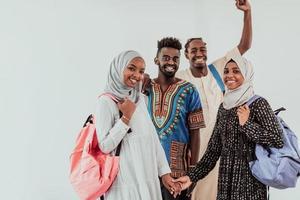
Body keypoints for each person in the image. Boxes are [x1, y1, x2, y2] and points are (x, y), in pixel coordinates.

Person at [174, 56, 284, 200]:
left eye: (236, 71)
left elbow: (277, 140)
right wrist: (190, 178)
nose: (229, 75)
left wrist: (247, 125)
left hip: (251, 186)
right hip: (226, 184)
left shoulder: (258, 104)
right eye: (226, 71)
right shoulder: (224, 107)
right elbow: (213, 151)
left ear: (246, 74)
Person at [176, 0, 252, 199]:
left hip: (222, 147)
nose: (199, 54)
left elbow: (244, 46)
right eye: (194, 50)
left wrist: (247, 13)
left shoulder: (218, 69)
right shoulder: (181, 78)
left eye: (203, 49)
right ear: (186, 54)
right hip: (195, 150)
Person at [95, 50, 178, 200]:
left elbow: (152, 138)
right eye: (131, 68)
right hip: (125, 182)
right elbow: (105, 146)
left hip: (147, 177)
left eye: (141, 71)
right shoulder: (106, 102)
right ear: (119, 68)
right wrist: (126, 118)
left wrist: (164, 172)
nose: (137, 75)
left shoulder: (139, 99)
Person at [145, 37, 205, 200]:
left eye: (175, 58)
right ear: (156, 60)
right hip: (147, 169)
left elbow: (195, 133)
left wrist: (193, 171)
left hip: (177, 172)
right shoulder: (145, 88)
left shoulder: (189, 90)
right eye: (166, 58)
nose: (171, 62)